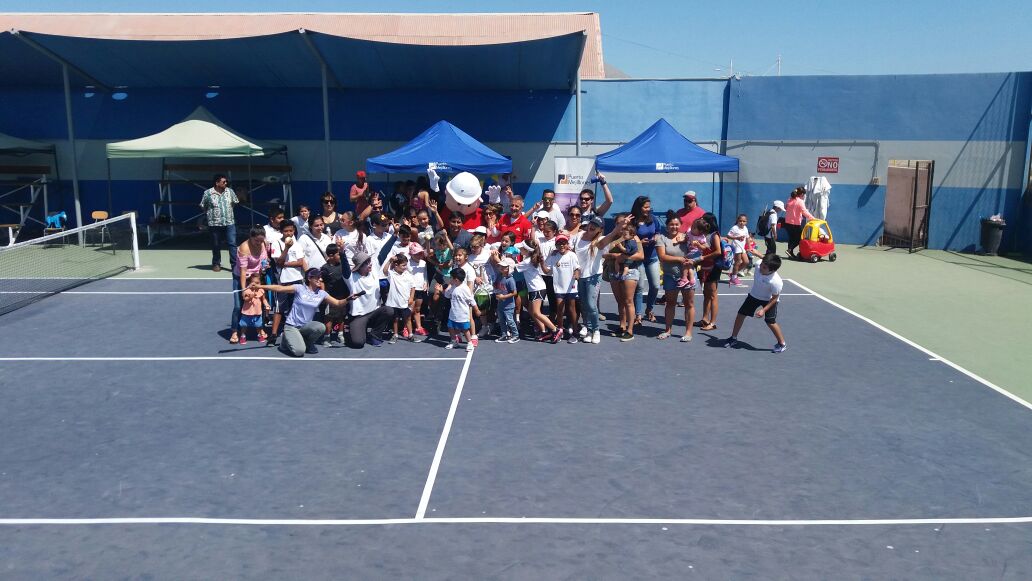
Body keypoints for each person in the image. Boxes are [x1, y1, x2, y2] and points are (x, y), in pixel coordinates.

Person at [251, 267, 349, 357]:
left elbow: (338, 303)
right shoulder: (299, 288)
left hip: (305, 326)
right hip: (291, 326)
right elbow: (280, 288)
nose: (320, 279)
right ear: (309, 278)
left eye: (321, 277)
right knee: (299, 352)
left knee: (320, 327)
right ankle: (285, 342)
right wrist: (260, 286)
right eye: (317, 277)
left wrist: (349, 299)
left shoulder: (322, 294)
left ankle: (308, 343)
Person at [573, 215, 624, 344]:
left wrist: (619, 226)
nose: (591, 226)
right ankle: (589, 329)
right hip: (580, 276)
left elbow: (612, 235)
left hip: (593, 276)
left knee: (591, 305)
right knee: (584, 305)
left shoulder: (600, 241)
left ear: (599, 230)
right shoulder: (579, 236)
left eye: (595, 226)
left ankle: (596, 330)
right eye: (591, 224)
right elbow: (571, 250)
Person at [724, 253, 788, 353]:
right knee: (740, 314)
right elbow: (762, 259)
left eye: (764, 267)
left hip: (769, 300)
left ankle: (782, 344)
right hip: (754, 296)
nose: (760, 268)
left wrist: (763, 310)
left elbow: (775, 298)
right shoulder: (759, 264)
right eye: (762, 264)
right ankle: (733, 338)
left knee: (770, 321)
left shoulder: (776, 282)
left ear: (772, 270)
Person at [655, 215, 695, 342]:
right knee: (670, 303)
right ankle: (668, 330)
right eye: (671, 224)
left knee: (689, 304)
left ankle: (688, 332)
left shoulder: (686, 237)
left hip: (687, 276)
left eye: (677, 224)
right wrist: (679, 259)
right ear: (667, 226)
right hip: (669, 276)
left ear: (680, 225)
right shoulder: (661, 238)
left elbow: (696, 250)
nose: (674, 227)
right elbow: (662, 257)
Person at [604, 214, 644, 342]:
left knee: (628, 301)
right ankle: (622, 326)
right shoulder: (612, 237)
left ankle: (630, 330)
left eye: (624, 223)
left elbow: (641, 256)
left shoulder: (634, 237)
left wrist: (624, 257)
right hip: (613, 271)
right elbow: (604, 253)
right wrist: (615, 255)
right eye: (619, 223)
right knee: (620, 301)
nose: (622, 226)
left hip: (630, 272)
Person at [228, 226, 268, 344]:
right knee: (238, 306)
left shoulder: (263, 244)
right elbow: (243, 271)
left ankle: (260, 330)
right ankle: (235, 331)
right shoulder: (244, 248)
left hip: (256, 278)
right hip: (242, 278)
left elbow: (263, 262)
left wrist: (264, 268)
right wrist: (244, 289)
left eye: (261, 240)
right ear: (251, 237)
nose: (259, 243)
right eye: (257, 241)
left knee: (260, 303)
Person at [346, 251, 394, 348]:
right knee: (358, 343)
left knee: (388, 310)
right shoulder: (351, 278)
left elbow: (383, 254)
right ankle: (350, 329)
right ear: (360, 266)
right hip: (358, 316)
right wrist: (342, 253)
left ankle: (374, 335)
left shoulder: (374, 272)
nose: (370, 264)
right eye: (367, 263)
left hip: (374, 313)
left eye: (370, 261)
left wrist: (395, 236)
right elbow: (345, 270)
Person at [268, 220, 306, 345]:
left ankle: (293, 331)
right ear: (281, 231)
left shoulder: (298, 244)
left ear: (294, 231)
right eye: (286, 231)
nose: (288, 233)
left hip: (297, 280)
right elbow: (278, 262)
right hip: (282, 282)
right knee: (279, 309)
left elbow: (300, 262)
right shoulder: (275, 243)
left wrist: (286, 264)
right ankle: (273, 334)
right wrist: (286, 248)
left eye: (291, 230)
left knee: (295, 308)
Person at [540, 233, 581, 343]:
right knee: (559, 309)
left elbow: (577, 268)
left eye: (563, 243)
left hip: (571, 287)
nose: (561, 245)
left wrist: (576, 275)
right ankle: (560, 330)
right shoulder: (554, 256)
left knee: (572, 309)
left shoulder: (572, 255)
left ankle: (576, 332)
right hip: (559, 288)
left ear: (567, 244)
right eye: (559, 243)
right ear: (556, 245)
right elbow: (547, 271)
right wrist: (541, 262)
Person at [630, 196, 663, 325]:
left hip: (652, 257)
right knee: (639, 287)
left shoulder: (653, 218)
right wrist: (639, 243)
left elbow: (659, 231)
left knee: (655, 285)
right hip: (638, 257)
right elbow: (628, 236)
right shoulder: (632, 220)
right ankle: (638, 314)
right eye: (645, 207)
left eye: (649, 207)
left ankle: (649, 309)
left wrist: (655, 236)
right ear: (639, 207)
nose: (648, 209)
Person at [200, 174, 239, 272]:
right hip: (214, 224)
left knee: (232, 244)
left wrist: (228, 211)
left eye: (226, 182)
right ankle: (216, 263)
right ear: (217, 183)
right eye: (223, 182)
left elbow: (234, 202)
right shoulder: (208, 193)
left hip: (229, 222)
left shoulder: (230, 191)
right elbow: (203, 206)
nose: (226, 183)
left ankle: (234, 265)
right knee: (216, 244)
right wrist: (210, 214)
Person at [693, 213, 724, 332]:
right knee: (706, 294)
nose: (701, 221)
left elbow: (718, 252)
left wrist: (703, 258)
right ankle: (705, 319)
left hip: (714, 267)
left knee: (712, 295)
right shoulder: (704, 235)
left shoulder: (714, 235)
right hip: (705, 267)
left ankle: (713, 322)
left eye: (704, 220)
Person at [443, 268, 480, 351]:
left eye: (451, 278)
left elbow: (471, 300)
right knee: (450, 327)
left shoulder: (465, 289)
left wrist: (476, 310)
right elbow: (447, 296)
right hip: (453, 313)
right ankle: (453, 341)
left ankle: (469, 343)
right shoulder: (452, 287)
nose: (450, 280)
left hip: (462, 314)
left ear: (456, 279)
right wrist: (445, 289)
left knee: (465, 329)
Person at [319, 243, 349, 345]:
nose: (339, 256)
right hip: (330, 297)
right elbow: (322, 281)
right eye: (338, 254)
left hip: (342, 296)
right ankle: (327, 337)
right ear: (331, 256)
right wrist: (323, 294)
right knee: (329, 317)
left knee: (341, 316)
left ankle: (340, 335)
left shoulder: (342, 265)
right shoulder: (325, 268)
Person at [383, 254, 416, 343]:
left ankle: (411, 335)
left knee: (408, 318)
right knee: (395, 319)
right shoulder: (391, 274)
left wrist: (411, 297)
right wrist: (390, 261)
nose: (405, 267)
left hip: (405, 302)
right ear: (396, 265)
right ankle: (395, 335)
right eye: (403, 265)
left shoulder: (408, 274)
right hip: (394, 302)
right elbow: (385, 271)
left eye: (406, 265)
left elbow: (413, 287)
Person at [238, 273, 271, 344]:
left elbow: (264, 299)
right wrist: (251, 296)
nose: (256, 285)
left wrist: (267, 305)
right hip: (247, 312)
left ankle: (259, 335)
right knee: (244, 325)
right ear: (250, 283)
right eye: (254, 283)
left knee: (258, 325)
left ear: (260, 283)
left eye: (258, 283)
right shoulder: (247, 290)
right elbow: (245, 298)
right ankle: (243, 336)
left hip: (257, 312)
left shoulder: (261, 290)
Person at [493, 258, 519, 343]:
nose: (500, 268)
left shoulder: (510, 280)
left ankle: (515, 335)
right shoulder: (500, 276)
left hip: (509, 305)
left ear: (509, 268)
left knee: (510, 321)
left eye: (503, 267)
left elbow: (514, 293)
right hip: (500, 304)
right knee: (501, 320)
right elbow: (497, 286)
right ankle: (504, 335)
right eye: (500, 266)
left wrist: (503, 296)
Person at [785, 187, 815, 258]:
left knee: (791, 238)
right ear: (801, 194)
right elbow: (804, 212)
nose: (804, 195)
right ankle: (790, 250)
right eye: (804, 194)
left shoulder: (790, 199)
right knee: (799, 238)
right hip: (795, 224)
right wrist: (813, 218)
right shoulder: (800, 201)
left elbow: (786, 208)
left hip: (787, 222)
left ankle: (790, 253)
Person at [726, 213, 751, 287]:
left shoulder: (745, 228)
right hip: (736, 246)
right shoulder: (734, 228)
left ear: (746, 222)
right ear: (737, 220)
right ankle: (734, 278)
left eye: (744, 221)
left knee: (746, 262)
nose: (742, 222)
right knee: (738, 262)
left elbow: (747, 238)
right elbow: (728, 236)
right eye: (740, 221)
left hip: (742, 247)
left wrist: (749, 246)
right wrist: (736, 238)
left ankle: (733, 274)